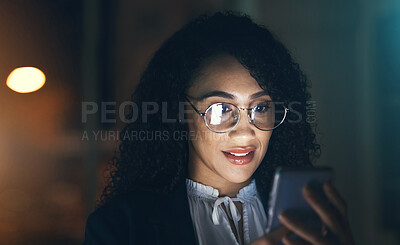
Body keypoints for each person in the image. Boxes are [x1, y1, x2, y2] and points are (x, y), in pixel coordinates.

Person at [82, 11, 355, 245]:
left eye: (261, 108)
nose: (246, 132)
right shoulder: (121, 227)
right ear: (180, 111)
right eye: (222, 109)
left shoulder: (306, 216)